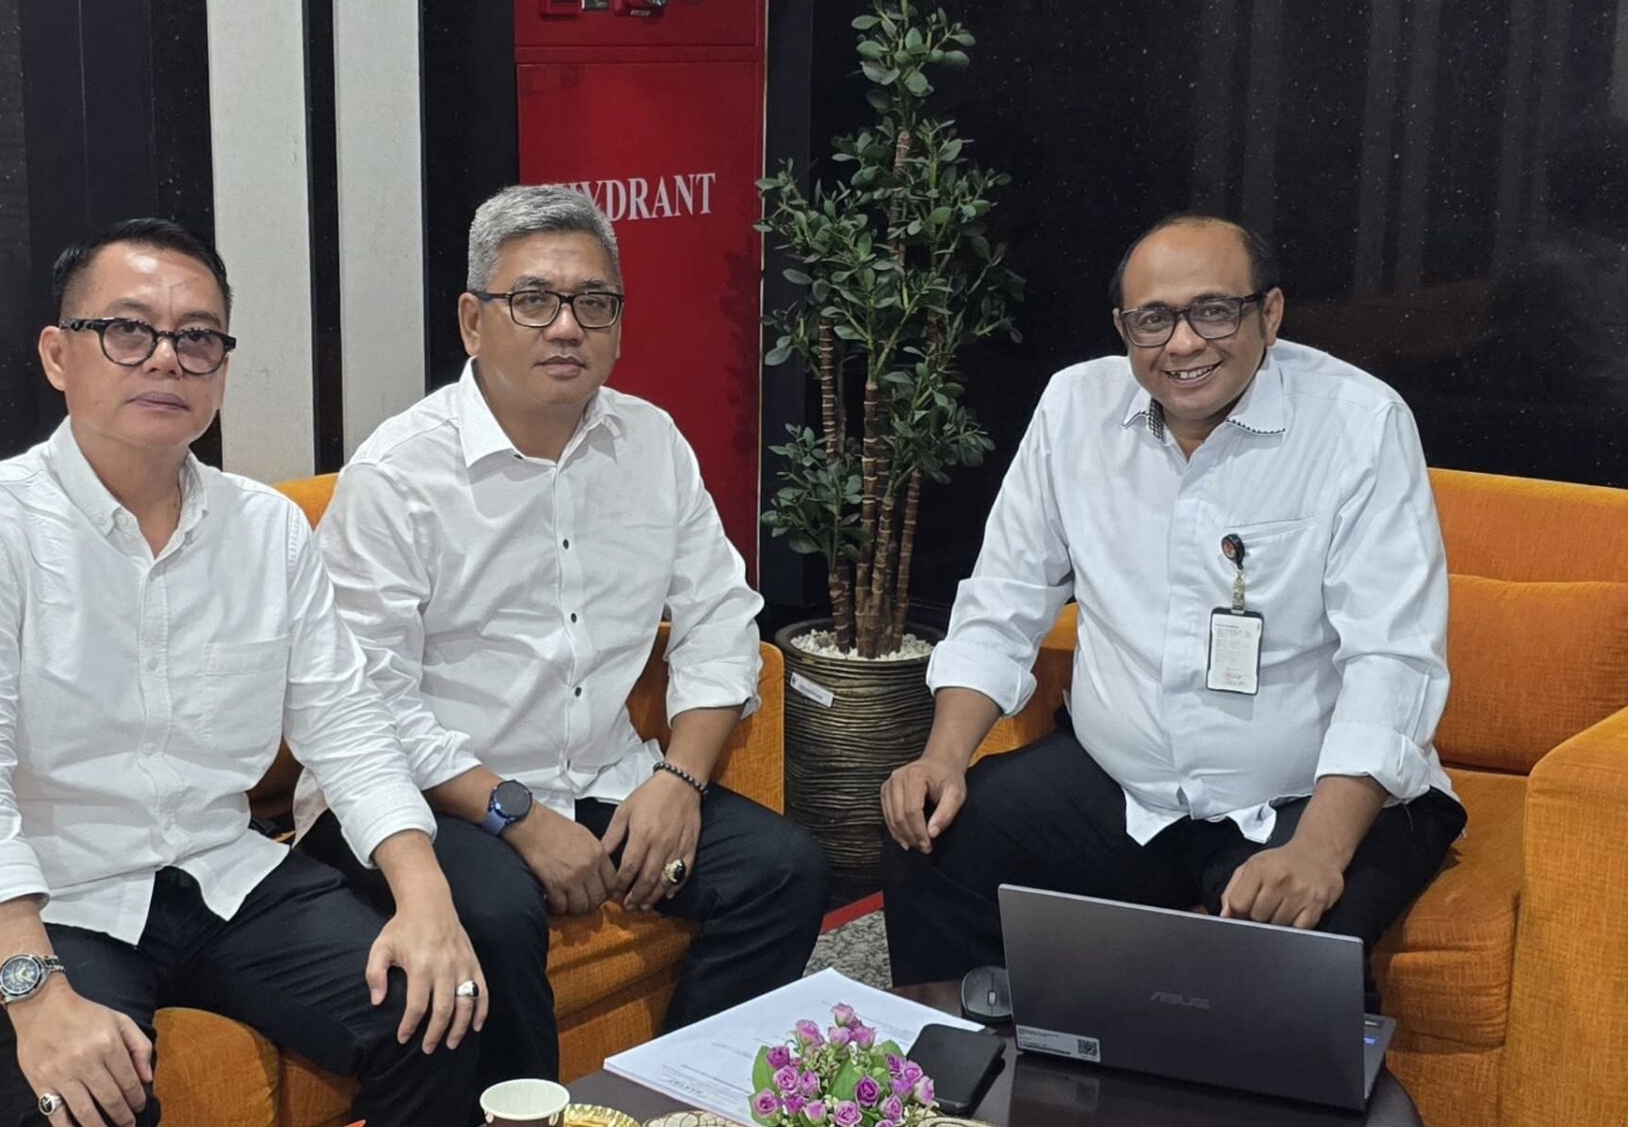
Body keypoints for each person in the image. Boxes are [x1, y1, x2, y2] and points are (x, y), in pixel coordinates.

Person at [0, 219, 485, 1127]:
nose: (167, 358)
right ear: (58, 355)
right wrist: (36, 993)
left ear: (221, 368)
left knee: (440, 1008)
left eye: (197, 337)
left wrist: (426, 896)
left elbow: (348, 726)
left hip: (221, 874)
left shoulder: (267, 529)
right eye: (127, 331)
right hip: (47, 900)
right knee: (83, 1105)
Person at [297, 183, 827, 1088]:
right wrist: (516, 816)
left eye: (594, 303)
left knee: (784, 870)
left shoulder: (652, 443)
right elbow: (367, 702)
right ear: (473, 321)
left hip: (604, 777)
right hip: (428, 796)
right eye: (534, 301)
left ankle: (664, 1101)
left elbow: (722, 619)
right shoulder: (399, 475)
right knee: (498, 912)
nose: (567, 328)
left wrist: (680, 781)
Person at [879, 214, 1465, 984]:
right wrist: (941, 757)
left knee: (1290, 962)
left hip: (1301, 795)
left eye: (1213, 311)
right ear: (1123, 328)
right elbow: (1004, 599)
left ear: (1270, 313)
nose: (1183, 344)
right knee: (934, 838)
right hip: (1123, 789)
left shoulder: (1360, 424)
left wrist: (1319, 849)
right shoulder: (1074, 409)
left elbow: (1392, 657)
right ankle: (969, 1059)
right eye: (1153, 320)